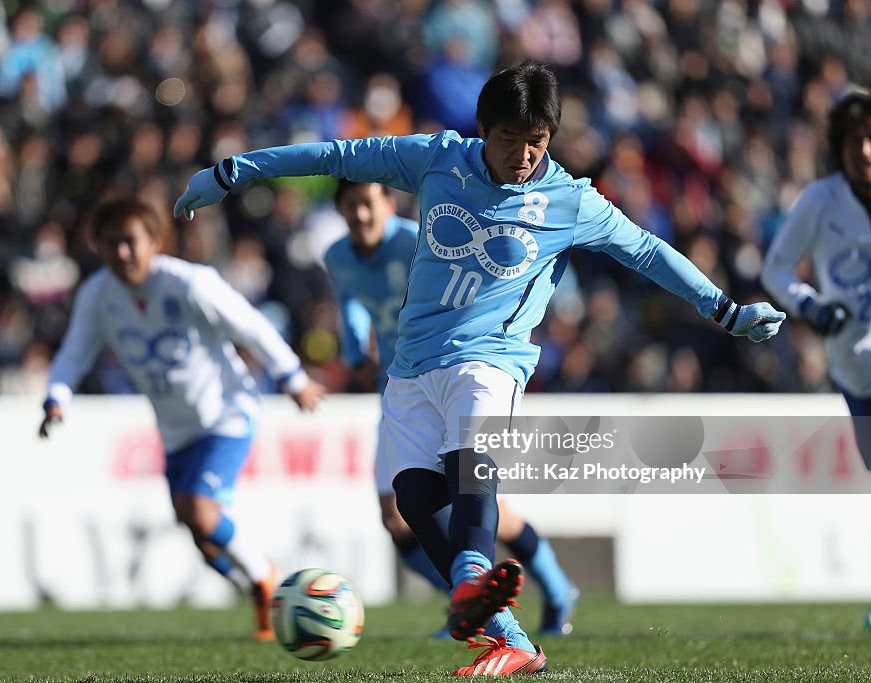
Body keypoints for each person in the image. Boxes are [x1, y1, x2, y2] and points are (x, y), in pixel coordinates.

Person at [175, 60, 785, 675]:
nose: (523, 155)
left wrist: (725, 308)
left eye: (537, 142)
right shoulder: (437, 159)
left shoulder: (570, 201)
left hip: (491, 361)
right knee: (413, 501)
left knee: (471, 474)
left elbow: (648, 251)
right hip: (410, 366)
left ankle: (473, 581)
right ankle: (512, 639)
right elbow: (337, 156)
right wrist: (233, 172)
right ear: (482, 130)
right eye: (509, 139)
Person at [38, 197, 325, 641]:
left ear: (154, 242)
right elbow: (75, 351)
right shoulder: (98, 296)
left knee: (199, 510)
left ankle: (269, 577)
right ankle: (258, 589)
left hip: (226, 411)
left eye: (131, 242)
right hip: (175, 431)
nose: (122, 253)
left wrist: (292, 377)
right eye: (111, 244)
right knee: (204, 539)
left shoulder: (189, 283)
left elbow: (250, 325)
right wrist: (57, 396)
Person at [324, 178, 578, 637]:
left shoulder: (419, 239)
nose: (361, 215)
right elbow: (350, 302)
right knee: (397, 518)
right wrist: (352, 346)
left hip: (455, 375)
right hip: (401, 388)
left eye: (368, 204)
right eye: (350, 207)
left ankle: (557, 589)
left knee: (477, 503)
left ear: (388, 202)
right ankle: (471, 604)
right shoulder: (338, 256)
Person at [762, 88, 871, 470]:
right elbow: (774, 269)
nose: (865, 152)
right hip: (856, 365)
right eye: (855, 140)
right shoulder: (819, 201)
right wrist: (811, 306)